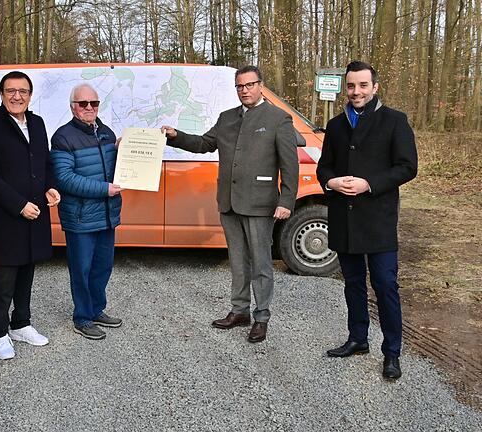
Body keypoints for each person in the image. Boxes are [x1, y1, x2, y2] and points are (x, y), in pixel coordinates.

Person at [161, 65, 298, 343]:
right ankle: (239, 311)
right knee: (237, 261)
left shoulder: (278, 118)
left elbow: (290, 164)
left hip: (261, 203)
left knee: (261, 263)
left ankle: (261, 317)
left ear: (260, 85)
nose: (244, 90)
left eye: (249, 85)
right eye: (240, 86)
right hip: (229, 203)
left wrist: (286, 200)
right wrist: (177, 135)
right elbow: (203, 144)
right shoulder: (226, 118)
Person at [317, 61, 417, 380]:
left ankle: (392, 352)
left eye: (362, 85)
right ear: (345, 88)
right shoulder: (335, 125)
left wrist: (368, 184)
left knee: (386, 285)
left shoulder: (394, 121)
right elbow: (324, 168)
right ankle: (358, 339)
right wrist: (331, 183)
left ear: (375, 87)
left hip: (379, 220)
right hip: (345, 219)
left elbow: (406, 167)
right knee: (353, 284)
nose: (356, 92)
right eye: (351, 86)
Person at [0, 71, 61, 359]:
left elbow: (45, 162)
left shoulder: (37, 123)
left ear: (30, 95)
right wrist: (19, 204)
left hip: (36, 213)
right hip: (9, 213)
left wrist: (50, 187)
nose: (16, 96)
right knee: (4, 276)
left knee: (28, 268)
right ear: (1, 94)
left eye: (22, 91)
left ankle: (21, 323)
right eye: (10, 91)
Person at [50, 83, 123, 340]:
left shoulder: (106, 132)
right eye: (84, 104)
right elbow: (65, 178)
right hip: (80, 217)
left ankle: (96, 309)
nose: (90, 107)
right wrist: (104, 189)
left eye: (94, 103)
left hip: (106, 215)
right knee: (81, 269)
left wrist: (125, 151)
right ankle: (82, 317)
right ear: (73, 107)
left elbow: (116, 169)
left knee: (103, 267)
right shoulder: (63, 137)